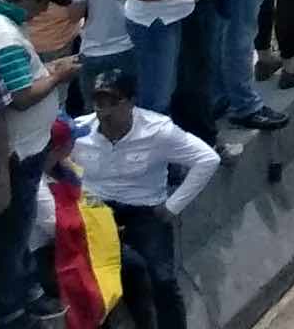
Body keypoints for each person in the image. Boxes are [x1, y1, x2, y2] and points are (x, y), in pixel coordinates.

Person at [61, 68, 218, 329]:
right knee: (94, 282)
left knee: (162, 279)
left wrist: (173, 205)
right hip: (96, 211)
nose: (105, 111)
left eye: (114, 102)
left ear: (131, 102)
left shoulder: (158, 131)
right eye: (100, 103)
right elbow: (55, 164)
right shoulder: (79, 132)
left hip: (144, 210)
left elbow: (207, 159)